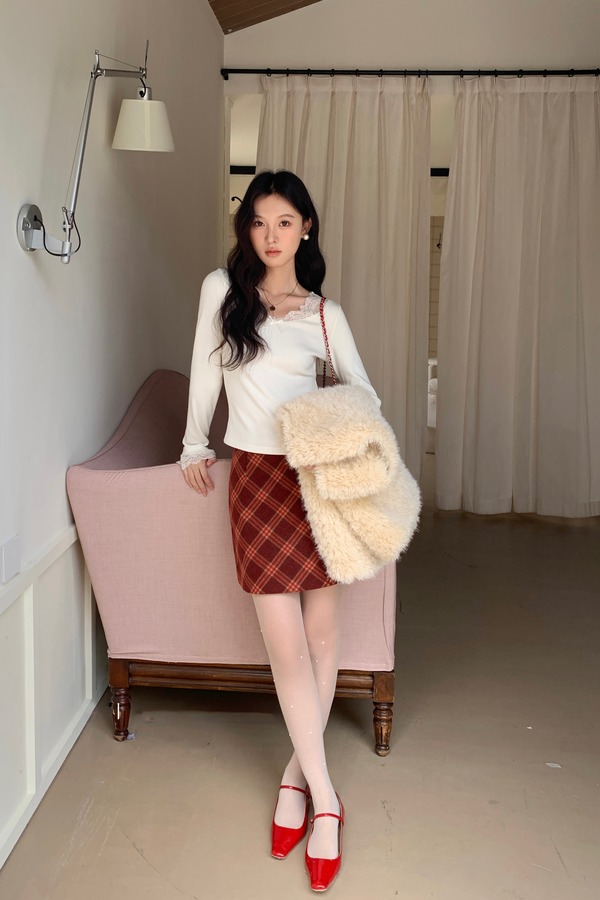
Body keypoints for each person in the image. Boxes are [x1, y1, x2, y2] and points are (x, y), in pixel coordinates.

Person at [180, 170, 379, 892]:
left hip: (314, 480)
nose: (271, 235)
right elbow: (206, 374)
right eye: (259, 222)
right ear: (247, 230)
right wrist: (194, 444)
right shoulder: (222, 292)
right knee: (286, 647)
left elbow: (365, 392)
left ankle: (297, 777)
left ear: (306, 229)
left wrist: (336, 432)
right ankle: (327, 801)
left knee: (323, 639)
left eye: (285, 222)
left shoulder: (324, 315)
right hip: (256, 482)